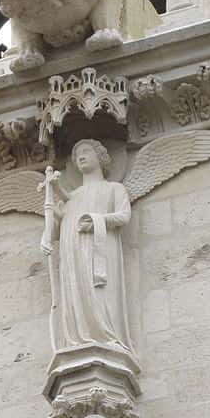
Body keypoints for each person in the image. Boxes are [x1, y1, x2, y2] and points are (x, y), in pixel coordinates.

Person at [42, 139, 134, 356]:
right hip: (72, 252)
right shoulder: (71, 197)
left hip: (100, 248)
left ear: (100, 156)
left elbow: (123, 216)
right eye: (76, 155)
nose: (80, 157)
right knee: (76, 293)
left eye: (86, 152)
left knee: (100, 292)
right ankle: (77, 340)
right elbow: (56, 231)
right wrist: (47, 234)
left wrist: (97, 220)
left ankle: (108, 337)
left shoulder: (114, 189)